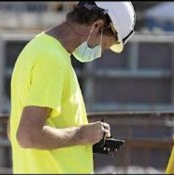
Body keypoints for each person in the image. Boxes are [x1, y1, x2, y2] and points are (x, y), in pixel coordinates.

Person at [8, 1, 136, 174]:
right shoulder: (52, 61)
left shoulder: (38, 48)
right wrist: (82, 135)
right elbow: (28, 135)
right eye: (105, 45)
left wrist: (82, 136)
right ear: (97, 26)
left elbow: (13, 127)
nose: (99, 53)